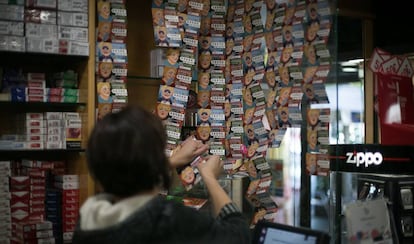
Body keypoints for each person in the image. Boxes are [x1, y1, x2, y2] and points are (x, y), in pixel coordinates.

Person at [72, 106, 251, 243]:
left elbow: (129, 170)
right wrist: (210, 178)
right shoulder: (165, 218)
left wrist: (171, 160)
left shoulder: (89, 217)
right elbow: (239, 236)